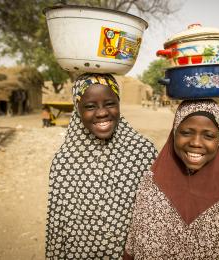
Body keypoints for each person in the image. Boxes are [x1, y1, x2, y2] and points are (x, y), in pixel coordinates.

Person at [123, 99, 219, 259]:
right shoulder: (153, 183)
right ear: (174, 132)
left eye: (209, 135)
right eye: (186, 133)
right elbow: (137, 242)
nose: (196, 143)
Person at [45, 73, 158, 259]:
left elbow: (156, 215)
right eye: (90, 106)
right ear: (77, 109)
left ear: (119, 103)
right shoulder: (64, 161)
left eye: (110, 103)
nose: (102, 112)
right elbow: (56, 226)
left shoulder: (143, 152)